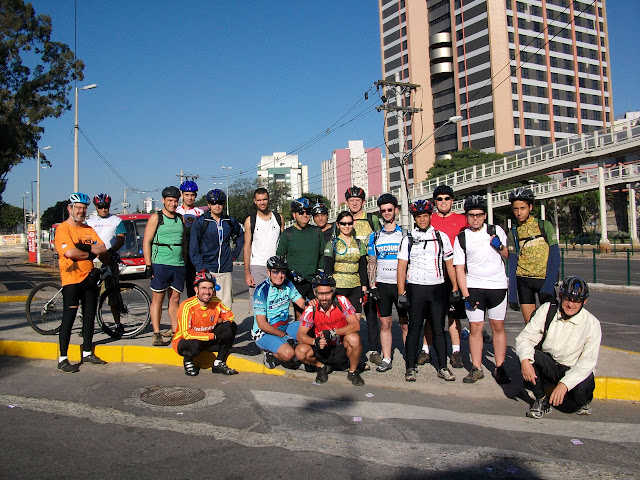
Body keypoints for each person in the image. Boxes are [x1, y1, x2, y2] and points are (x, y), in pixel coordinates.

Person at [515, 276, 600, 418]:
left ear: (584, 302)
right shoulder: (548, 310)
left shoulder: (592, 324)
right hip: (551, 365)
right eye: (567, 299)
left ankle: (582, 402)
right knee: (528, 355)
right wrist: (525, 361)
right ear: (560, 296)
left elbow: (587, 362)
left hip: (572, 369)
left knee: (576, 400)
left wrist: (564, 385)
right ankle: (541, 400)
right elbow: (525, 338)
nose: (571, 305)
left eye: (577, 301)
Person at [397, 199, 458, 382]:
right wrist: (401, 293)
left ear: (430, 216)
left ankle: (442, 367)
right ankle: (410, 367)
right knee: (415, 328)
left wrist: (455, 287)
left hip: (437, 287)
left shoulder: (441, 236)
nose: (422, 220)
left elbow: (449, 263)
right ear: (414, 218)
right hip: (416, 288)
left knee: (439, 329)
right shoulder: (408, 239)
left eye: (425, 216)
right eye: (418, 217)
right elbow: (402, 267)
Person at [454, 195, 511, 385]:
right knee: (475, 328)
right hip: (474, 287)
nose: (475, 218)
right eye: (471, 215)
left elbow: (508, 255)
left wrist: (500, 246)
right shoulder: (462, 237)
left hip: (497, 286)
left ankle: (500, 367)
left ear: (485, 215)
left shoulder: (496, 231)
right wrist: (466, 294)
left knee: (497, 327)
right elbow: (459, 269)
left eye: (479, 215)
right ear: (467, 216)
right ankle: (476, 368)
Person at [54, 192, 107, 372]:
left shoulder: (88, 229)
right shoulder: (63, 229)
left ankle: (86, 351)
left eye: (84, 208)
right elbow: (69, 253)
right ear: (70, 208)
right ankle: (63, 358)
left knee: (89, 316)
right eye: (78, 207)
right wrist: (90, 253)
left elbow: (102, 247)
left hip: (89, 278)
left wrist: (83, 248)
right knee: (68, 319)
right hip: (71, 280)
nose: (81, 211)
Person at [429, 185, 473, 369]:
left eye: (447, 198)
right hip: (434, 275)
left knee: (453, 316)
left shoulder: (463, 220)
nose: (443, 202)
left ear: (452, 200)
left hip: (456, 275)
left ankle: (456, 352)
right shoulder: (428, 220)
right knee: (431, 316)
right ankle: (426, 350)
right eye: (439, 199)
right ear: (435, 202)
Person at [295, 272, 365, 386]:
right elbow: (300, 335)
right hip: (322, 348)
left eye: (327, 293)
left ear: (332, 291)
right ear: (315, 293)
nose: (324, 298)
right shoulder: (310, 308)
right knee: (300, 351)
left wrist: (333, 333)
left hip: (340, 347)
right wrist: (315, 341)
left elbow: (356, 325)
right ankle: (321, 367)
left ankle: (352, 372)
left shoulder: (341, 301)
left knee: (354, 338)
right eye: (320, 294)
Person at [366, 193, 408, 373]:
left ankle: (410, 358)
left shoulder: (405, 234)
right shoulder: (374, 236)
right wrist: (372, 286)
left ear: (396, 211)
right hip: (382, 284)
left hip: (401, 285)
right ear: (380, 213)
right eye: (383, 210)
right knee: (385, 323)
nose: (387, 213)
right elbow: (371, 263)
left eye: (390, 209)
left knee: (406, 324)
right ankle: (387, 357)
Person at [507, 187, 560, 324]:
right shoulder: (513, 233)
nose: (519, 213)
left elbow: (555, 258)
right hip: (524, 281)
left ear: (530, 207)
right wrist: (512, 295)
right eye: (515, 209)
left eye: (523, 208)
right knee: (531, 326)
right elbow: (512, 265)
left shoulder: (545, 226)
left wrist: (548, 286)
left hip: (543, 280)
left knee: (551, 325)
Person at [143, 186, 187, 346]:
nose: (173, 204)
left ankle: (176, 332)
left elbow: (184, 242)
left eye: (176, 201)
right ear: (163, 200)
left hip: (178, 264)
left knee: (175, 299)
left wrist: (186, 261)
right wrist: (148, 265)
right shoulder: (156, 218)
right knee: (158, 298)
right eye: (170, 200)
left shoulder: (180, 218)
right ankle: (156, 333)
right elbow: (147, 241)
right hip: (160, 263)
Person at [172, 271, 238, 376]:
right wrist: (213, 336)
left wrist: (223, 322)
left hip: (207, 337)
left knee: (231, 326)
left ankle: (219, 362)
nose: (207, 292)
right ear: (196, 289)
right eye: (203, 288)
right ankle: (188, 360)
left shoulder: (216, 301)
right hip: (187, 341)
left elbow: (229, 315)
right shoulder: (187, 306)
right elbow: (187, 334)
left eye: (210, 288)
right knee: (193, 343)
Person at [344, 186, 382, 365]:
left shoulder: (371, 219)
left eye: (357, 200)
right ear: (347, 202)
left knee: (371, 313)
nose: (354, 203)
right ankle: (352, 348)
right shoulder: (345, 220)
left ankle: (374, 350)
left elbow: (380, 241)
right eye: (351, 200)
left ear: (363, 202)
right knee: (351, 314)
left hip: (370, 270)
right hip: (351, 273)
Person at [190, 188, 244, 310]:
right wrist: (200, 267)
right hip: (207, 270)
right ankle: (205, 328)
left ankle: (224, 328)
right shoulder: (201, 222)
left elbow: (241, 235)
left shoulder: (229, 221)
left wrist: (234, 254)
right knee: (205, 304)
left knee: (225, 305)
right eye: (213, 203)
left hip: (224, 270)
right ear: (209, 204)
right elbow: (193, 247)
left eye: (220, 202)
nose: (217, 205)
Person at [251, 255, 307, 369]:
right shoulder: (261, 291)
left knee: (308, 327)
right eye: (275, 272)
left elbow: (301, 303)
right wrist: (284, 336)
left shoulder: (288, 284)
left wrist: (314, 305)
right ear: (268, 272)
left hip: (283, 327)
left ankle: (293, 352)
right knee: (288, 353)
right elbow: (261, 324)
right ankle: (269, 353)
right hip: (263, 333)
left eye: (282, 272)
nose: (279, 276)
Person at [86, 193, 127, 336]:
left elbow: (121, 239)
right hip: (93, 262)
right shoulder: (89, 222)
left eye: (106, 206)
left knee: (113, 294)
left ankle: (117, 324)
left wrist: (109, 253)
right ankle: (87, 325)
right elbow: (86, 241)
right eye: (100, 206)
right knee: (90, 295)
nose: (103, 209)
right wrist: (97, 253)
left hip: (109, 261)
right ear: (96, 207)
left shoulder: (116, 220)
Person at [275, 198, 324, 319]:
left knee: (319, 314)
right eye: (301, 212)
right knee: (300, 316)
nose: (305, 215)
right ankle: (301, 338)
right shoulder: (287, 234)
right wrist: (288, 274)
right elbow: (279, 258)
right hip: (296, 283)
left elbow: (323, 255)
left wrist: (320, 272)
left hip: (315, 282)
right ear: (294, 215)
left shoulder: (317, 231)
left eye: (307, 212)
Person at [323, 211, 368, 320]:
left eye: (349, 223)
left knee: (355, 324)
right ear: (338, 225)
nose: (347, 226)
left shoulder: (359, 244)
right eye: (343, 223)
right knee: (339, 323)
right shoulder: (332, 244)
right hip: (338, 287)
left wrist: (364, 289)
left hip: (355, 287)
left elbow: (362, 268)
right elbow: (328, 270)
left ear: (353, 224)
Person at [243, 188, 284, 307]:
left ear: (268, 200)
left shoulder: (278, 218)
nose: (262, 202)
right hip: (257, 266)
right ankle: (258, 326)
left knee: (276, 302)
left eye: (264, 199)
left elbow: (284, 243)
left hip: (276, 267)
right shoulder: (250, 220)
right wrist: (247, 272)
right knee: (259, 302)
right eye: (259, 200)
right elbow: (247, 247)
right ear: (254, 201)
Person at [176, 180, 204, 298]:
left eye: (192, 195)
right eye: (186, 194)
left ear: (195, 196)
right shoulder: (176, 211)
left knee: (192, 286)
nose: (189, 197)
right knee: (176, 288)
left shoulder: (199, 212)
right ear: (182, 195)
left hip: (193, 252)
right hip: (178, 252)